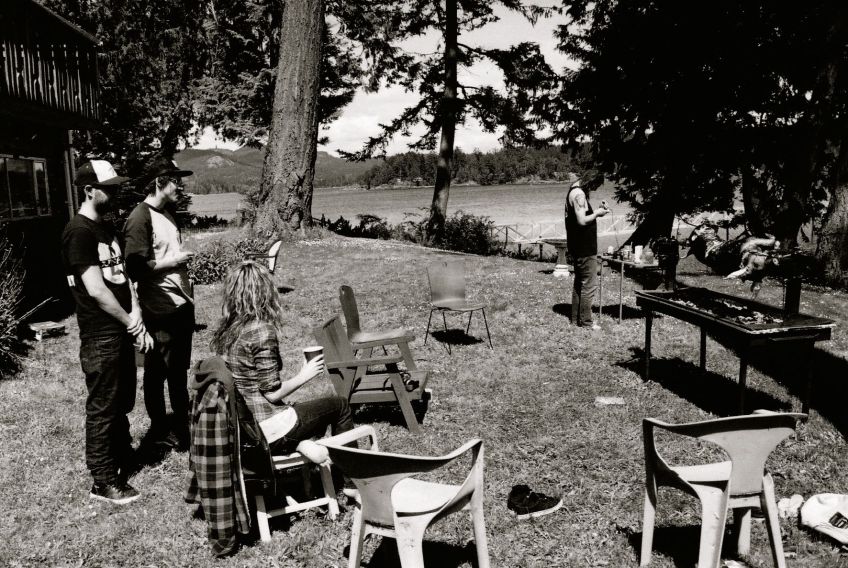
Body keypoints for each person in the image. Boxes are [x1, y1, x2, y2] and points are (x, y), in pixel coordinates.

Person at [61, 159, 153, 505]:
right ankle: (102, 480)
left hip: (122, 327)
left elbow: (123, 278)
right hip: (101, 334)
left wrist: (136, 313)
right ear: (89, 190)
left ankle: (122, 454)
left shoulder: (107, 228)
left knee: (122, 400)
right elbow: (97, 290)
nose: (115, 193)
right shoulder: (78, 232)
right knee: (103, 407)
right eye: (109, 188)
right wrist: (130, 321)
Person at [210, 261, 354, 464]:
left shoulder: (228, 331)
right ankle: (352, 475)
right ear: (265, 292)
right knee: (340, 405)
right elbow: (272, 393)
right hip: (268, 428)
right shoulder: (260, 331)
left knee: (311, 411)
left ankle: (301, 443)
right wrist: (305, 375)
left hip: (243, 427)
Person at [124, 156, 196, 449]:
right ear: (159, 182)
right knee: (157, 372)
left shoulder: (167, 213)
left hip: (181, 306)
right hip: (159, 309)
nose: (180, 186)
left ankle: (182, 426)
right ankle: (159, 429)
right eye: (175, 181)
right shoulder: (139, 218)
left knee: (178, 372)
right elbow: (134, 268)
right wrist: (173, 261)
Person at [564, 171, 609, 329]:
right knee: (589, 285)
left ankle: (575, 318)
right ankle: (586, 322)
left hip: (576, 245)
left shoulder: (573, 191)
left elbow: (580, 215)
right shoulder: (579, 195)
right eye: (595, 185)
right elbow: (582, 220)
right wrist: (597, 213)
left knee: (579, 283)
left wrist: (596, 211)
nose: (594, 189)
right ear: (590, 181)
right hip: (584, 247)